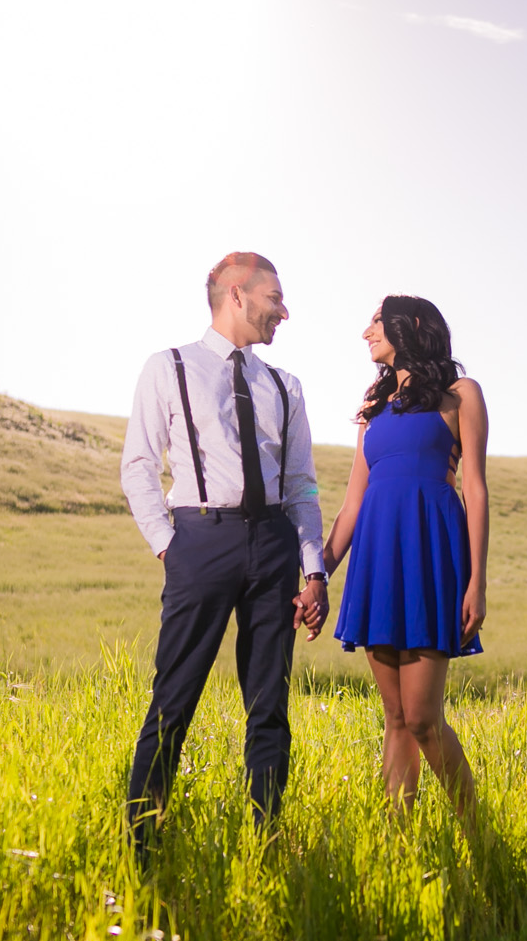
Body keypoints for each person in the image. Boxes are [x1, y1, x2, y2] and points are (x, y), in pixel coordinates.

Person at [119, 252, 328, 856]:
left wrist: (312, 569)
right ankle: (141, 845)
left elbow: (302, 487)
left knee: (269, 706)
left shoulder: (285, 388)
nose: (283, 312)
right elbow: (138, 465)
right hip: (199, 541)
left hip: (273, 545)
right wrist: (169, 547)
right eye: (275, 298)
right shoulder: (169, 367)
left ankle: (265, 844)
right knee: (173, 701)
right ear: (237, 294)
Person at [324, 295, 490, 814]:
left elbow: (476, 489)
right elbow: (353, 503)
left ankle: (477, 831)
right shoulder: (372, 409)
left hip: (429, 555)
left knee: (421, 717)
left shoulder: (459, 394)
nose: (366, 331)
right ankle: (396, 848)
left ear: (410, 325)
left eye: (376, 321)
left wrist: (477, 582)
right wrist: (315, 572)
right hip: (377, 560)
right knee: (394, 718)